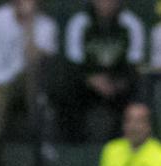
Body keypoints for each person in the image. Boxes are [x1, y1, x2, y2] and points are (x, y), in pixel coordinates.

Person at [0, 0, 59, 166]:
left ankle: (42, 146)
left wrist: (29, 25)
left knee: (35, 80)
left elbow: (36, 60)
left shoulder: (46, 25)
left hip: (29, 81)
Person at [59, 0, 145, 142]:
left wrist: (118, 83)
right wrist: (92, 80)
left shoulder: (131, 23)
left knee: (139, 87)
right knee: (66, 86)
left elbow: (134, 64)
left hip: (120, 84)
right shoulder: (79, 22)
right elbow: (74, 63)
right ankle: (74, 144)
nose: (106, 3)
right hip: (87, 84)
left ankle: (124, 142)